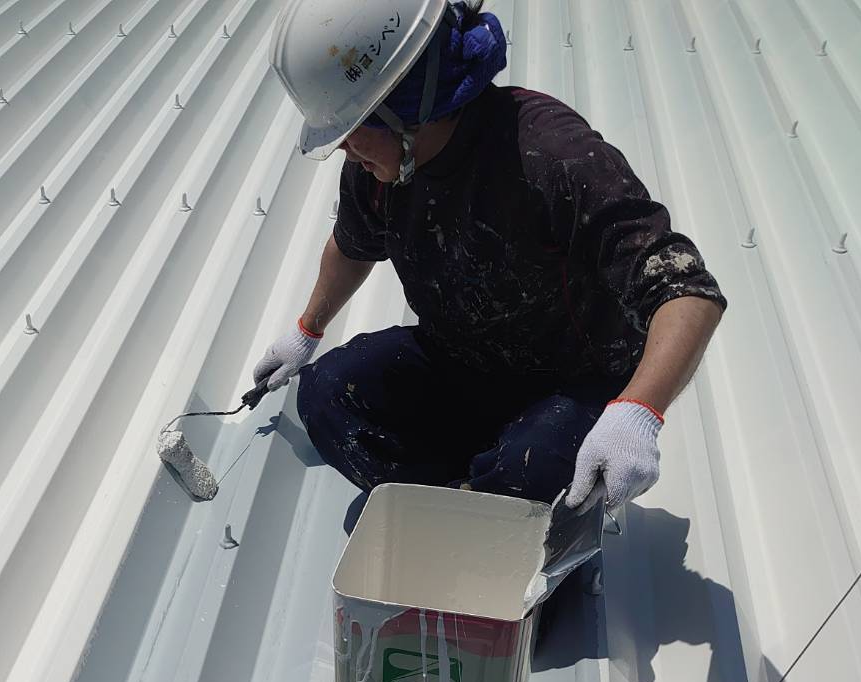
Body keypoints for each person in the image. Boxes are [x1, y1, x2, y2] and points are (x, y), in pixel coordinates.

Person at [256, 0, 726, 517]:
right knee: (328, 395)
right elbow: (351, 246)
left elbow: (688, 292)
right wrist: (306, 330)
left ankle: (499, 503)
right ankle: (464, 502)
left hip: (570, 387)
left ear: (405, 103)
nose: (343, 146)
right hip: (462, 363)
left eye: (353, 125)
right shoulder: (377, 170)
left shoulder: (547, 153)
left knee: (535, 470)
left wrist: (638, 412)